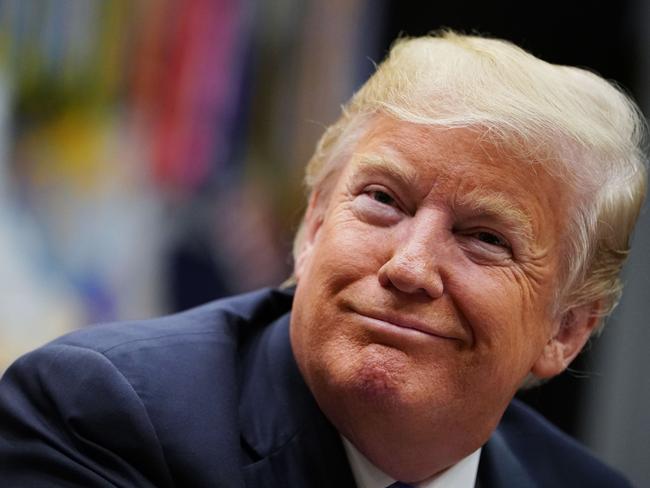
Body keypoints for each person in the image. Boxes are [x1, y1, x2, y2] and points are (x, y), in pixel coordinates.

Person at [0, 31, 646, 488]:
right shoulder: (97, 415)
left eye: (485, 238)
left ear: (566, 329)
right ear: (311, 228)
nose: (409, 267)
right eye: (383, 200)